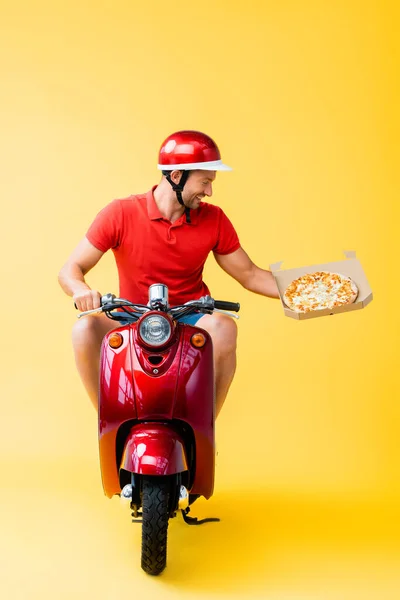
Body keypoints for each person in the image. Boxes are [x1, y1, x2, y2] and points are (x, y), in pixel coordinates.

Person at [58, 130, 280, 416]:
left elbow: (250, 274)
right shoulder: (121, 213)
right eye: (205, 182)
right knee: (83, 330)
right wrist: (80, 290)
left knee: (225, 327)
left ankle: (204, 424)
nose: (209, 191)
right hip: (132, 315)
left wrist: (305, 292)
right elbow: (70, 270)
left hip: (190, 316)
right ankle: (108, 417)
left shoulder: (214, 219)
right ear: (177, 176)